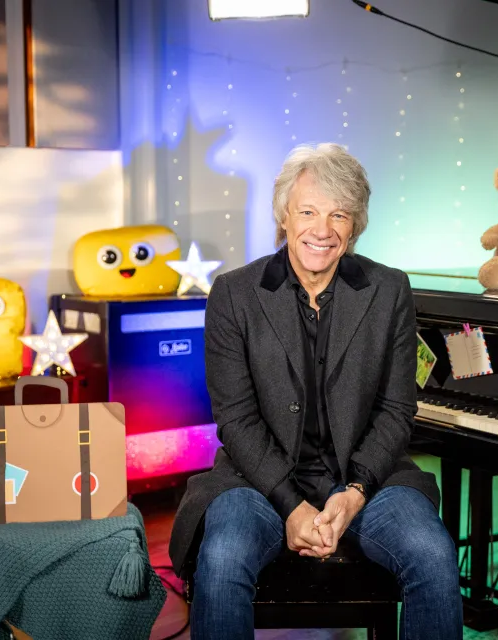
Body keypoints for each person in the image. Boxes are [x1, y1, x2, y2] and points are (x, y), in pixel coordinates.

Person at [169, 143, 464, 639]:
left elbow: (396, 410)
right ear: (284, 216)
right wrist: (292, 505)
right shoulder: (234, 294)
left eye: (339, 215)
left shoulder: (389, 289)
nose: (322, 230)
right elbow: (236, 419)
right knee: (222, 557)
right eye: (307, 211)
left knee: (432, 554)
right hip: (256, 480)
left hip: (365, 478)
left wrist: (353, 495)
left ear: (355, 225)